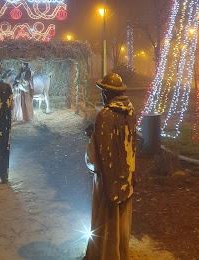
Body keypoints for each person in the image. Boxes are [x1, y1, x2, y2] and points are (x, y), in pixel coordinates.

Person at [84, 73, 136, 260]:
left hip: (108, 179)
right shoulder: (130, 110)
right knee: (122, 221)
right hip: (126, 176)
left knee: (106, 222)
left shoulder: (104, 116)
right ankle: (121, 253)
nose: (101, 95)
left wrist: (92, 138)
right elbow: (130, 144)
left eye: (103, 92)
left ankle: (105, 255)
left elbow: (96, 158)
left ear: (107, 94)